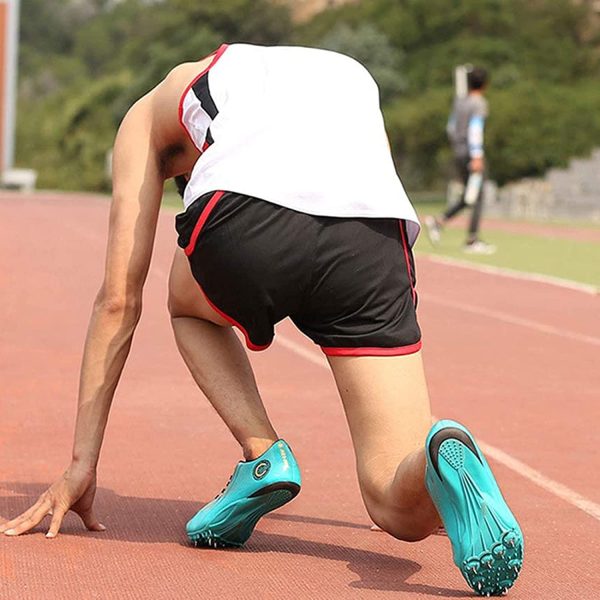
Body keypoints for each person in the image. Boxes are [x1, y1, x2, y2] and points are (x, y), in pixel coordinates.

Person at [1, 44, 522, 595]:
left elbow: (117, 299)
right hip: (370, 242)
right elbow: (371, 181)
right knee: (396, 506)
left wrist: (82, 461)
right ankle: (438, 459)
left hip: (245, 224)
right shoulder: (346, 73)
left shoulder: (153, 108)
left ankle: (263, 455)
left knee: (185, 304)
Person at [425, 67, 495, 254]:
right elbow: (475, 129)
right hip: (472, 154)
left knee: (469, 195)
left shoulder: (460, 103)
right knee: (477, 196)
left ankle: (440, 221)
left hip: (458, 151)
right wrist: (477, 155)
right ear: (486, 84)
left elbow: (451, 128)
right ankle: (472, 239)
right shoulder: (479, 103)